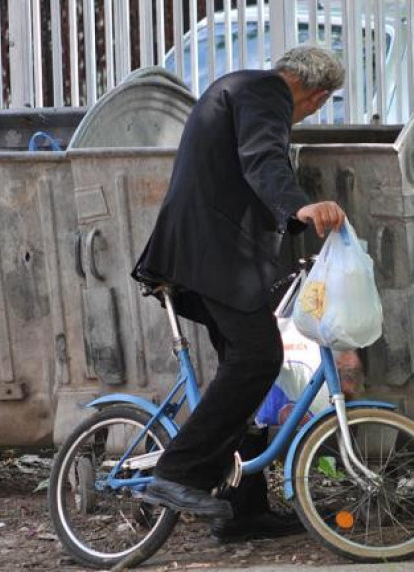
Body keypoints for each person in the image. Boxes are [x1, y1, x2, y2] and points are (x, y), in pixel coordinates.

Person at [131, 46, 347, 541]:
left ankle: (242, 512)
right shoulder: (265, 91)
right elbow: (262, 159)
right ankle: (177, 473)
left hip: (209, 256)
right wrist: (301, 208)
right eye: (317, 105)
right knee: (258, 357)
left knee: (243, 376)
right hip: (211, 256)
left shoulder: (242, 89)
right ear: (315, 96)